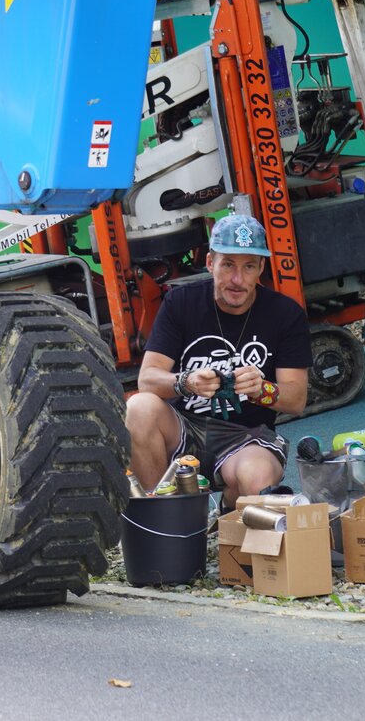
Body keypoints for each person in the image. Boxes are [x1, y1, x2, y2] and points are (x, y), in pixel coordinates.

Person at [126, 214, 311, 510]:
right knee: (139, 407)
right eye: (228, 265)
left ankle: (229, 507)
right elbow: (147, 379)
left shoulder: (285, 313)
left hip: (247, 436)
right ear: (210, 263)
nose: (237, 280)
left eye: (248, 266)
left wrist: (262, 389)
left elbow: (297, 398)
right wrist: (186, 382)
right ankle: (163, 521)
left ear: (261, 268)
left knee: (258, 477)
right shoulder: (180, 303)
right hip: (183, 428)